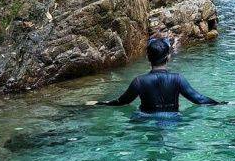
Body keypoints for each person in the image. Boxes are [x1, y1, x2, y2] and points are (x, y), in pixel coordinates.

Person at [90, 37, 224, 113]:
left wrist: (98, 103)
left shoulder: (139, 81)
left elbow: (121, 102)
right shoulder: (177, 79)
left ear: (148, 58)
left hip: (145, 120)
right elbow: (199, 100)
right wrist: (223, 103)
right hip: (173, 121)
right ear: (168, 57)